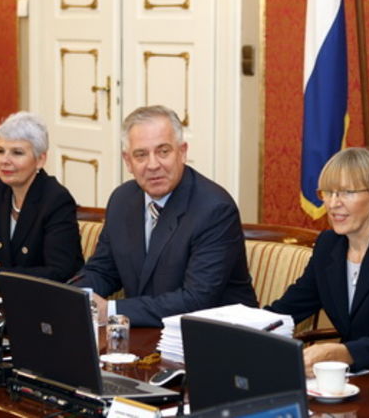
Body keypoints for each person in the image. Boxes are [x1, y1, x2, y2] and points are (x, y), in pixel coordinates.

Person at [73, 105, 257, 327]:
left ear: (182, 152)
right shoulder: (122, 200)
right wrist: (74, 296)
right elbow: (103, 270)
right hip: (147, 334)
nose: (153, 165)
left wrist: (110, 310)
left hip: (215, 339)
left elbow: (196, 300)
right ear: (128, 161)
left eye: (163, 152)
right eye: (141, 155)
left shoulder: (214, 210)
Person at [265, 147, 369, 376]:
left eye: (347, 193)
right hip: (347, 378)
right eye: (328, 193)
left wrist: (336, 353)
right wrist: (241, 328)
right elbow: (289, 308)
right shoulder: (328, 244)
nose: (333, 204)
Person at [0, 112, 83, 284]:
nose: (5, 160)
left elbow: (60, 272)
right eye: (0, 151)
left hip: (43, 302)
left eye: (17, 153)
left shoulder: (56, 200)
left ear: (40, 159)